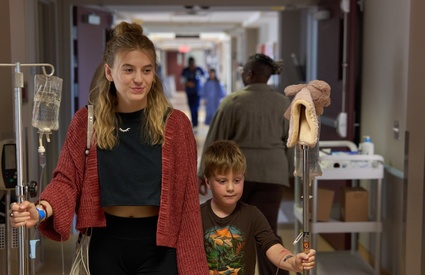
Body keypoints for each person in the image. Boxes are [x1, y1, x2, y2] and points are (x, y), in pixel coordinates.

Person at [10, 21, 208, 275]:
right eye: (128, 70)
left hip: (159, 247)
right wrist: (39, 210)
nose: (139, 79)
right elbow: (67, 180)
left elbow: (188, 202)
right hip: (106, 244)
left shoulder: (175, 125)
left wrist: (194, 266)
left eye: (146, 70)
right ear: (109, 72)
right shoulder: (87, 122)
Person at [198, 53, 291, 275]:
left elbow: (214, 141)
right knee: (267, 231)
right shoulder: (285, 104)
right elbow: (291, 141)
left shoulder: (232, 102)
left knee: (231, 229)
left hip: (238, 175)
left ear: (249, 74)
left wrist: (203, 173)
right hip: (273, 174)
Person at [200, 140, 315, 275]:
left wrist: (293, 262)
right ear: (208, 182)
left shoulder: (252, 215)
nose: (230, 188)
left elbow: (273, 247)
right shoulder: (198, 215)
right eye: (222, 181)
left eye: (237, 180)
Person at [180, 56, 205, 129]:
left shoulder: (198, 70)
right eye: (191, 64)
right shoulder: (185, 71)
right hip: (189, 92)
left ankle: (195, 123)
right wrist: (188, 83)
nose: (192, 65)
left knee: (196, 107)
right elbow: (182, 80)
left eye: (193, 64)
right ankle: (194, 123)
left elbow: (205, 77)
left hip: (197, 92)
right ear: (189, 64)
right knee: (191, 107)